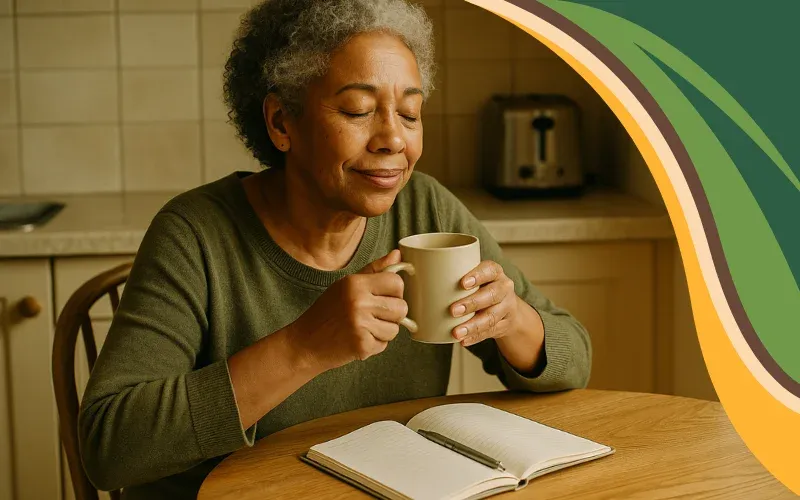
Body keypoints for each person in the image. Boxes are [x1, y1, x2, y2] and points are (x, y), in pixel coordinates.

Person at [78, 0, 592, 498]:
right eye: (358, 110)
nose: (393, 139)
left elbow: (575, 358)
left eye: (410, 114)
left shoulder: (426, 211)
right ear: (282, 123)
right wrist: (303, 348)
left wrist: (513, 320)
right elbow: (110, 446)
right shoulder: (195, 233)